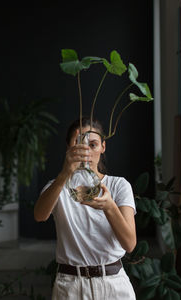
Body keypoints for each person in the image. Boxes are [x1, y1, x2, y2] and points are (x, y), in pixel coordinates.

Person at [34, 117, 137, 300]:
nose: (86, 151)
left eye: (93, 144)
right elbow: (40, 216)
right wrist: (64, 174)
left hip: (113, 283)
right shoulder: (58, 187)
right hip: (71, 285)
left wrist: (109, 206)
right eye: (78, 144)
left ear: (103, 147)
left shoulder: (118, 185)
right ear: (68, 148)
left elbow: (129, 244)